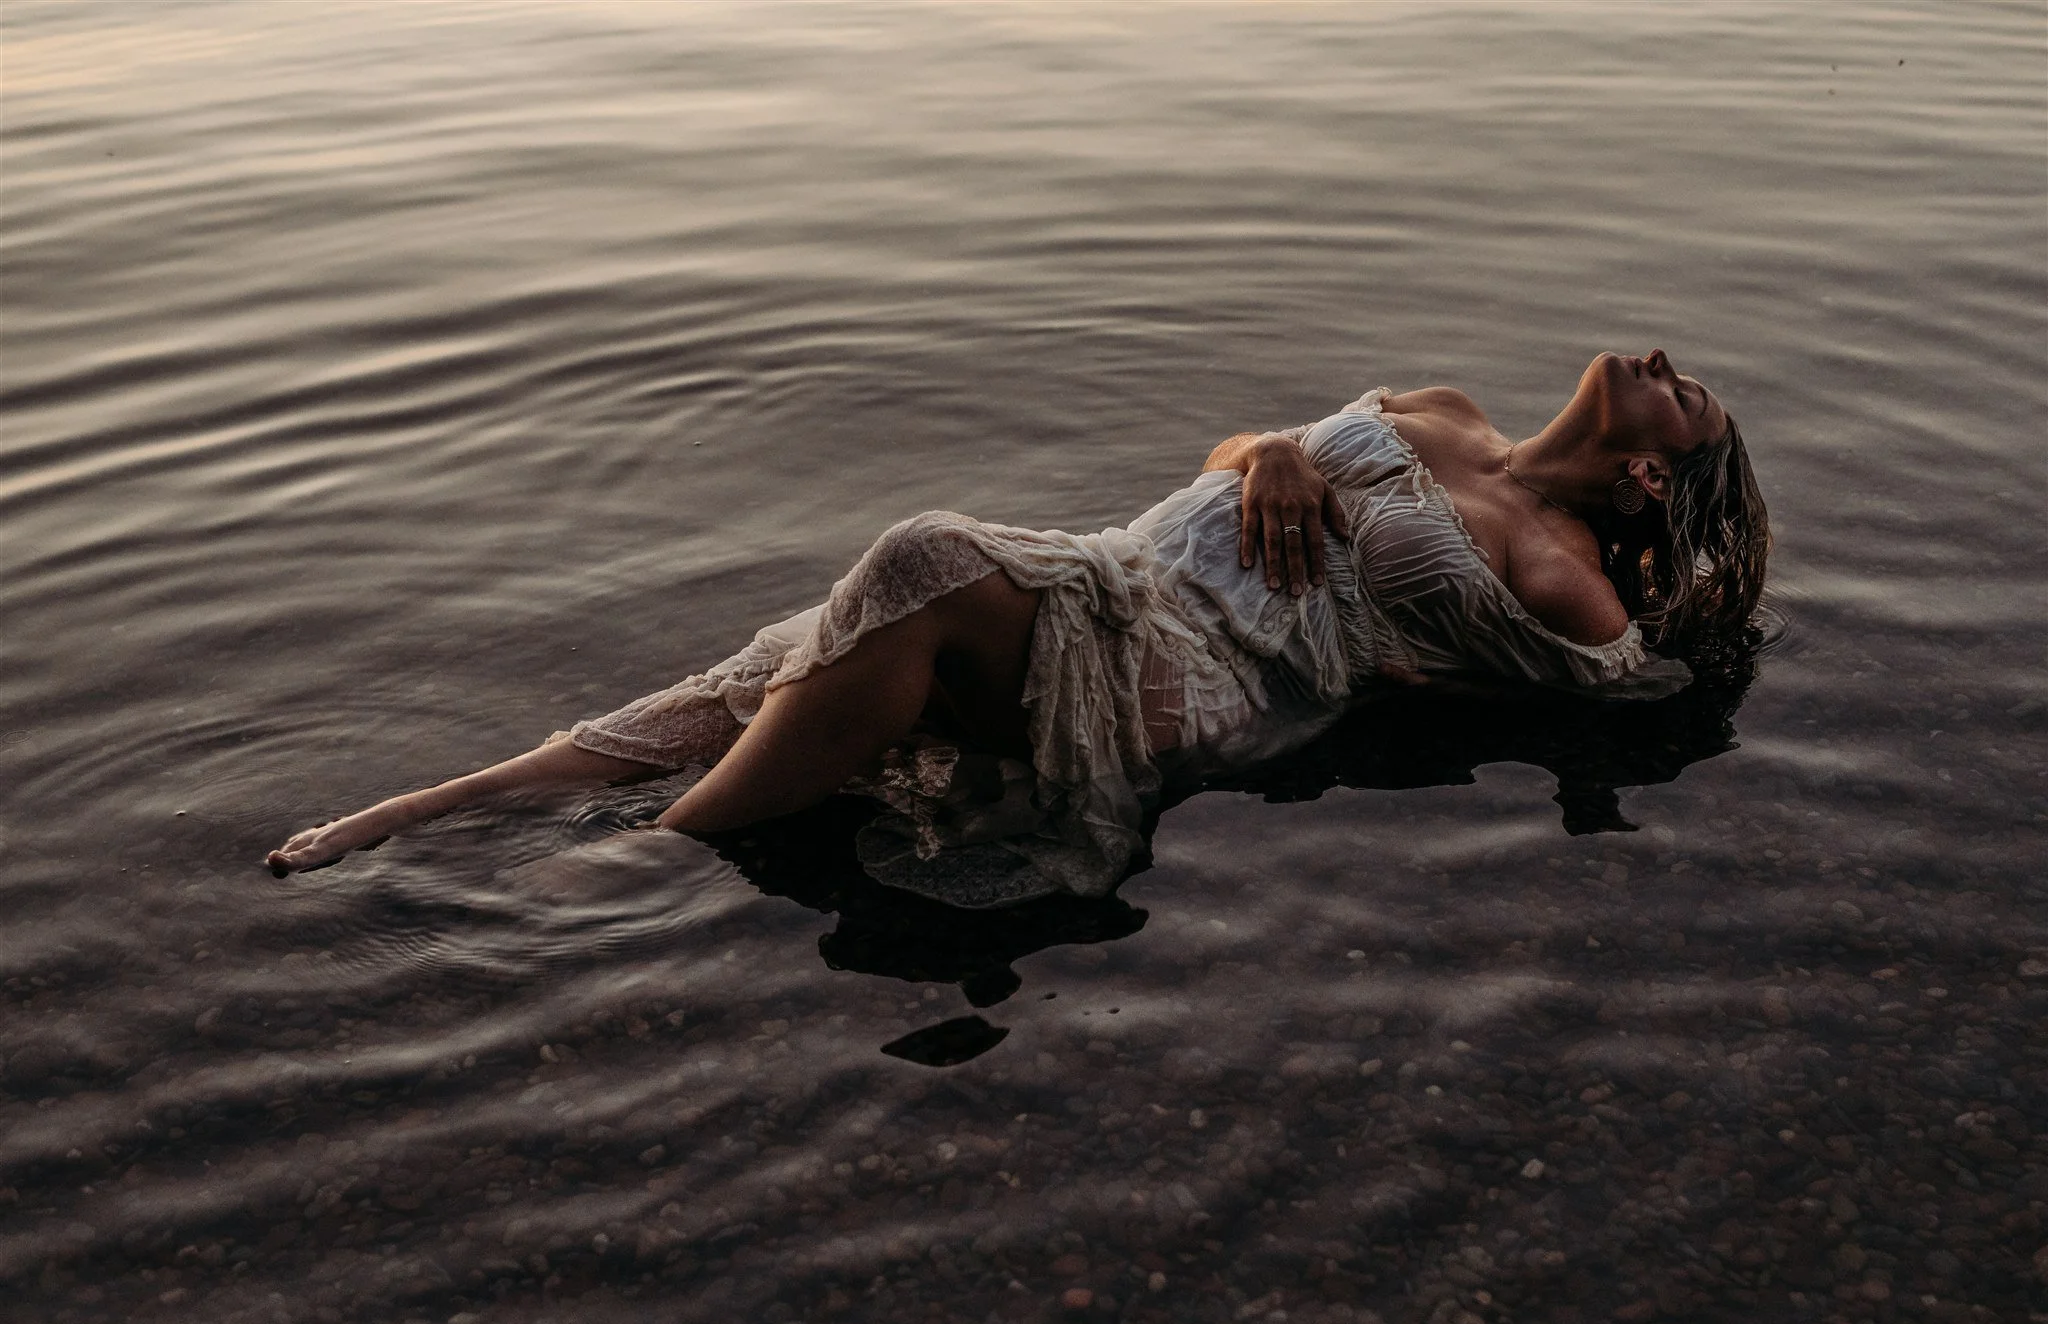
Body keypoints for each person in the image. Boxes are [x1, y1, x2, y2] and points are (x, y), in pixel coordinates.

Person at [267, 349, 1768, 907]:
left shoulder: (1561, 567)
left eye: (1684, 394)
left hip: (1174, 662)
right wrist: (1270, 453)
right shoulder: (1437, 405)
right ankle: (432, 807)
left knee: (922, 552)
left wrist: (1616, 688)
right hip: (1102, 560)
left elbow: (1620, 684)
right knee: (767, 674)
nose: (1659, 359)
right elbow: (1223, 458)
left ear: (1652, 470)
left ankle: (638, 869)